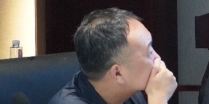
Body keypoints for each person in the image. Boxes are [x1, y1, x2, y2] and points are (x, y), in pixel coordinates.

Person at [49, 8, 178, 104]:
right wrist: (158, 99)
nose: (157, 58)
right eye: (149, 53)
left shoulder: (128, 91)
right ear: (117, 73)